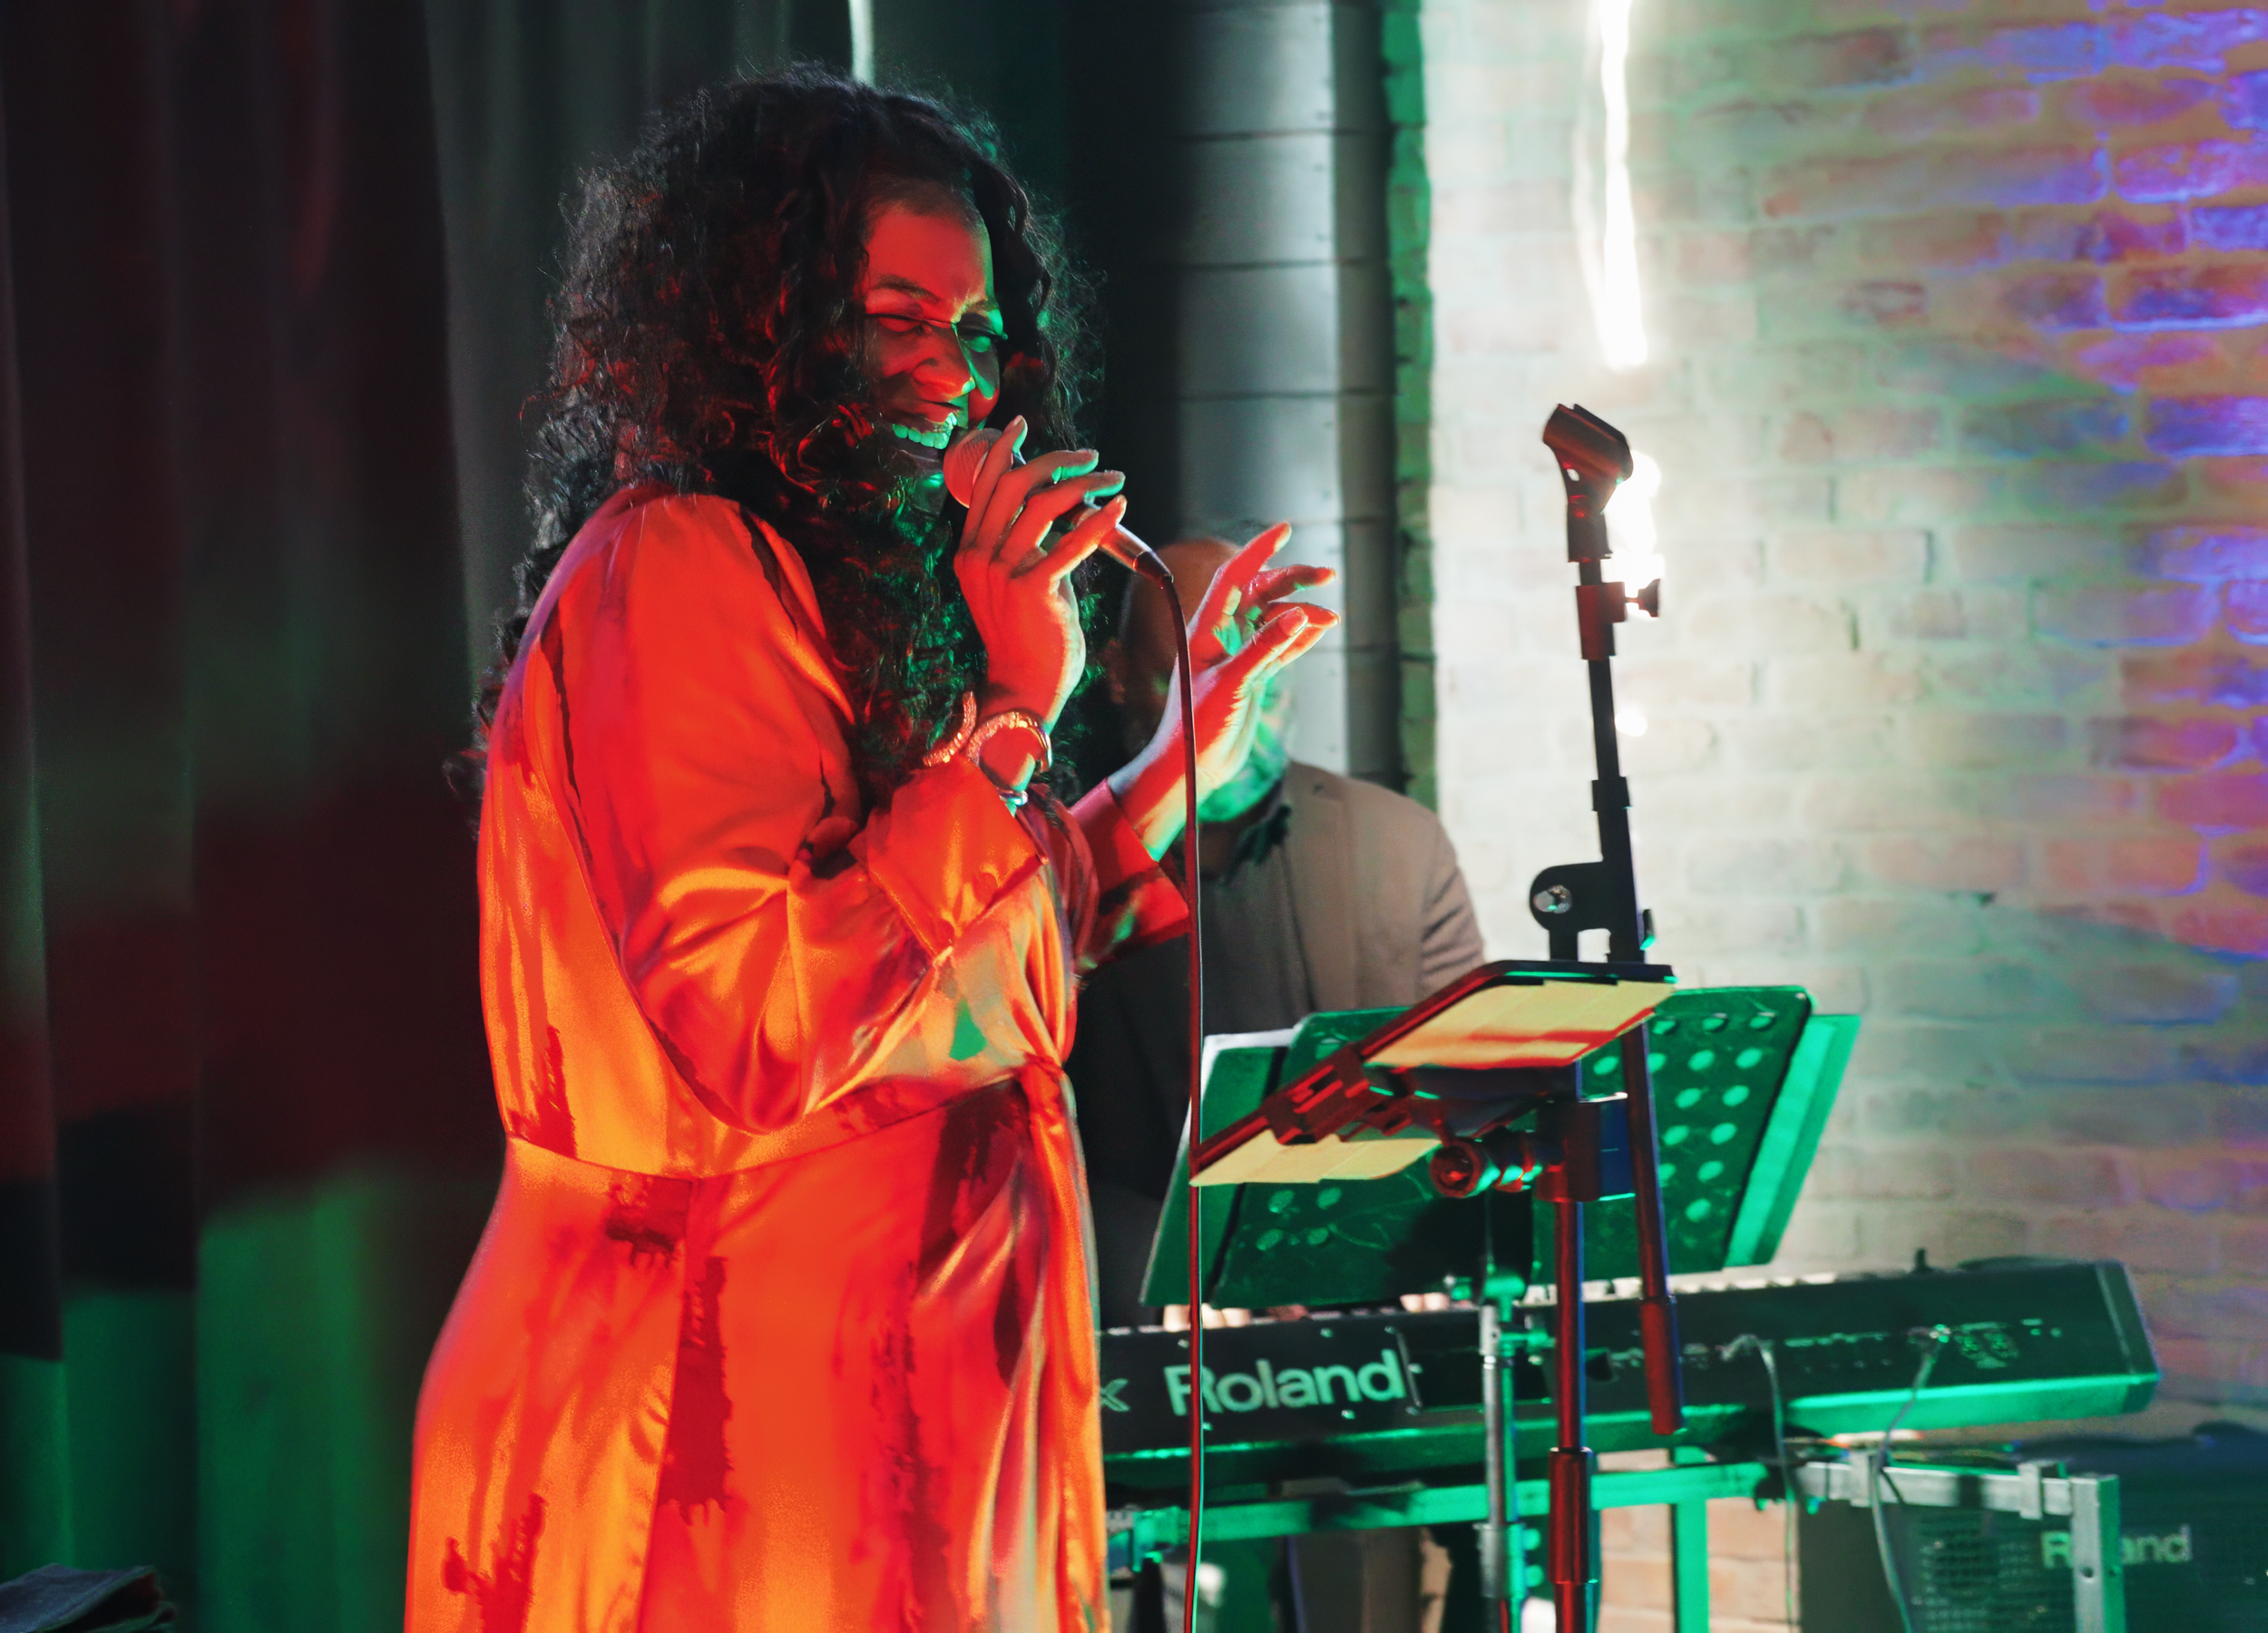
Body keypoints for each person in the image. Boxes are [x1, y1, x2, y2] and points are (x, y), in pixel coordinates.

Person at [406, 72, 1335, 1632]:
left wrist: (1176, 772)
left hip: (892, 1414)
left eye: (973, 334)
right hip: (712, 1422)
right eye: (893, 317)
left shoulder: (842, 593)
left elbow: (941, 974)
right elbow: (760, 1022)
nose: (948, 373)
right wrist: (1018, 709)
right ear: (763, 323)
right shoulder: (679, 565)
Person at [1068, 537, 1486, 1633]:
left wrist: (1384, 1248)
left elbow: (1467, 1111)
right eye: (1204, 679)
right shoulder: (1048, 866)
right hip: (1133, 1361)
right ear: (1116, 677)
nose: (1243, 710)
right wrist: (1189, 1276)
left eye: (1269, 675)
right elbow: (1031, 1146)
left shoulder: (1399, 846)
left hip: (1367, 1341)